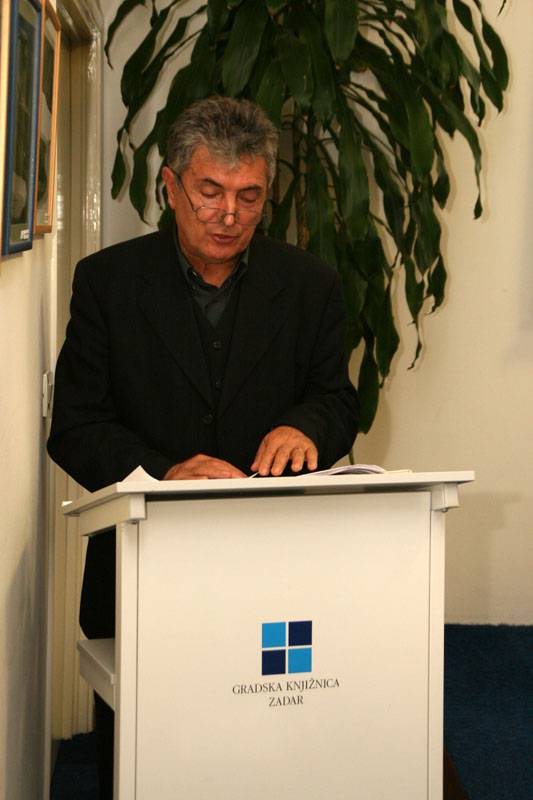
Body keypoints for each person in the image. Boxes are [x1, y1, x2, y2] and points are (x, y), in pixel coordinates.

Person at [47, 96, 359, 798]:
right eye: (209, 192)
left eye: (249, 196)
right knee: (146, 762)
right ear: (170, 186)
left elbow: (337, 400)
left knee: (268, 754)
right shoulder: (107, 282)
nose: (228, 215)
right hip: (141, 562)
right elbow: (75, 425)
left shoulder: (310, 285)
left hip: (273, 565)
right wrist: (163, 473)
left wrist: (306, 427)